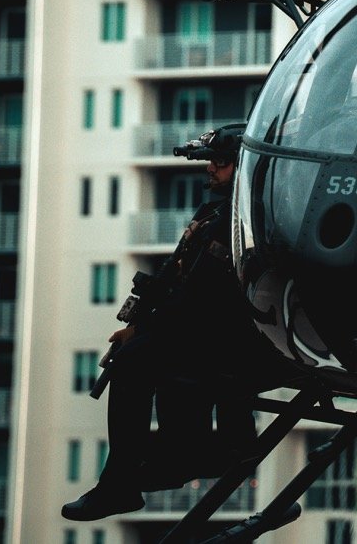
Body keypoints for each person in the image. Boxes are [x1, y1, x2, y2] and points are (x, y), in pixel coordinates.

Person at [62, 124, 278, 521]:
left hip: (234, 339)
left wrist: (145, 330)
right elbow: (180, 275)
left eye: (222, 162)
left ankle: (125, 483)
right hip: (210, 333)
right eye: (211, 161)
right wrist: (140, 322)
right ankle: (173, 462)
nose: (212, 169)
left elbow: (205, 293)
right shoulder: (217, 210)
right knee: (152, 364)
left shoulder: (245, 217)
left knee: (134, 366)